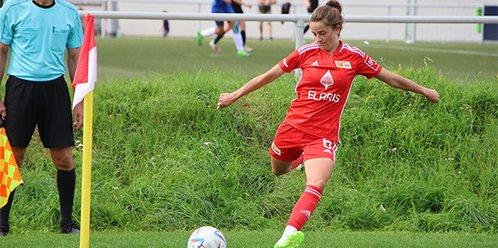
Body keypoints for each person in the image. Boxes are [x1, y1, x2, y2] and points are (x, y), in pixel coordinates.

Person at [217, 1, 440, 247]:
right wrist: (234, 95)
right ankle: (301, 161)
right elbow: (268, 76)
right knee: (278, 170)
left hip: (323, 135)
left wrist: (424, 90)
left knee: (317, 183)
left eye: (322, 33)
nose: (318, 38)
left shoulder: (355, 58)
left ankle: (288, 235)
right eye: (314, 33)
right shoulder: (305, 53)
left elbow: (390, 78)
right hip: (292, 127)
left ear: (338, 29)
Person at [0, 0, 84, 236]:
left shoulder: (68, 12)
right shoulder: (12, 8)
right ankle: (2, 226)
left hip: (55, 90)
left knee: (65, 159)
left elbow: (75, 57)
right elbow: (1, 51)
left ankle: (67, 225)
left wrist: (79, 100)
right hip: (20, 88)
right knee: (13, 158)